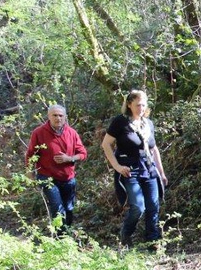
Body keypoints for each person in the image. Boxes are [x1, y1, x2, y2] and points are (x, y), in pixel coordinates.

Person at [101, 90, 168, 247]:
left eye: (144, 104)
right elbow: (106, 144)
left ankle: (153, 241)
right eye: (138, 104)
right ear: (129, 104)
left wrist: (161, 172)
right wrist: (117, 166)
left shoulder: (148, 124)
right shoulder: (120, 122)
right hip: (130, 169)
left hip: (149, 168)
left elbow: (153, 148)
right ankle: (126, 234)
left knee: (153, 205)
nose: (141, 108)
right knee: (138, 206)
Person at [26, 104, 88, 231]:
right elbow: (31, 154)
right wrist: (29, 171)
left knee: (69, 208)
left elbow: (83, 154)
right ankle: (59, 240)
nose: (58, 118)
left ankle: (67, 235)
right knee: (57, 206)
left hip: (68, 177)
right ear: (49, 116)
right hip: (47, 176)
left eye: (61, 115)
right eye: (55, 115)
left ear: (65, 117)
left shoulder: (72, 133)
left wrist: (69, 158)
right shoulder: (38, 133)